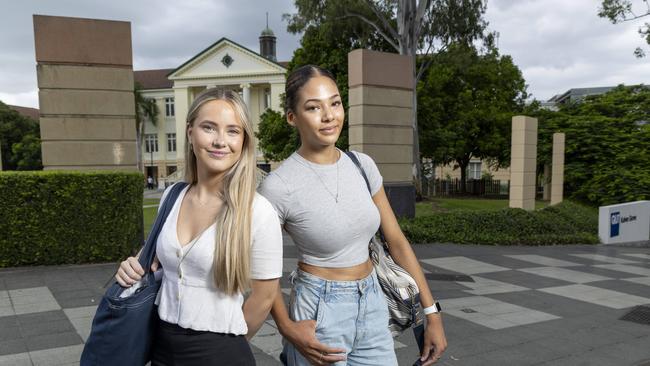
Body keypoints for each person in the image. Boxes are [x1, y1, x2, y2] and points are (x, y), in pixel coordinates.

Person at [258, 65, 448, 366]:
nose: (329, 115)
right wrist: (287, 326)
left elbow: (397, 241)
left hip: (373, 302)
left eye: (335, 103)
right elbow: (260, 269)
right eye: (313, 107)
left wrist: (431, 313)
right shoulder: (278, 187)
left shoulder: (362, 165)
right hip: (320, 310)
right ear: (292, 117)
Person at [116, 89, 283, 365]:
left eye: (232, 131)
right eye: (209, 127)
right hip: (162, 346)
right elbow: (154, 262)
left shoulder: (257, 210)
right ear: (190, 132)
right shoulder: (172, 197)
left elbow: (264, 298)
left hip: (220, 351)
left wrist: (224, 347)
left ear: (243, 141)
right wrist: (131, 267)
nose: (220, 141)